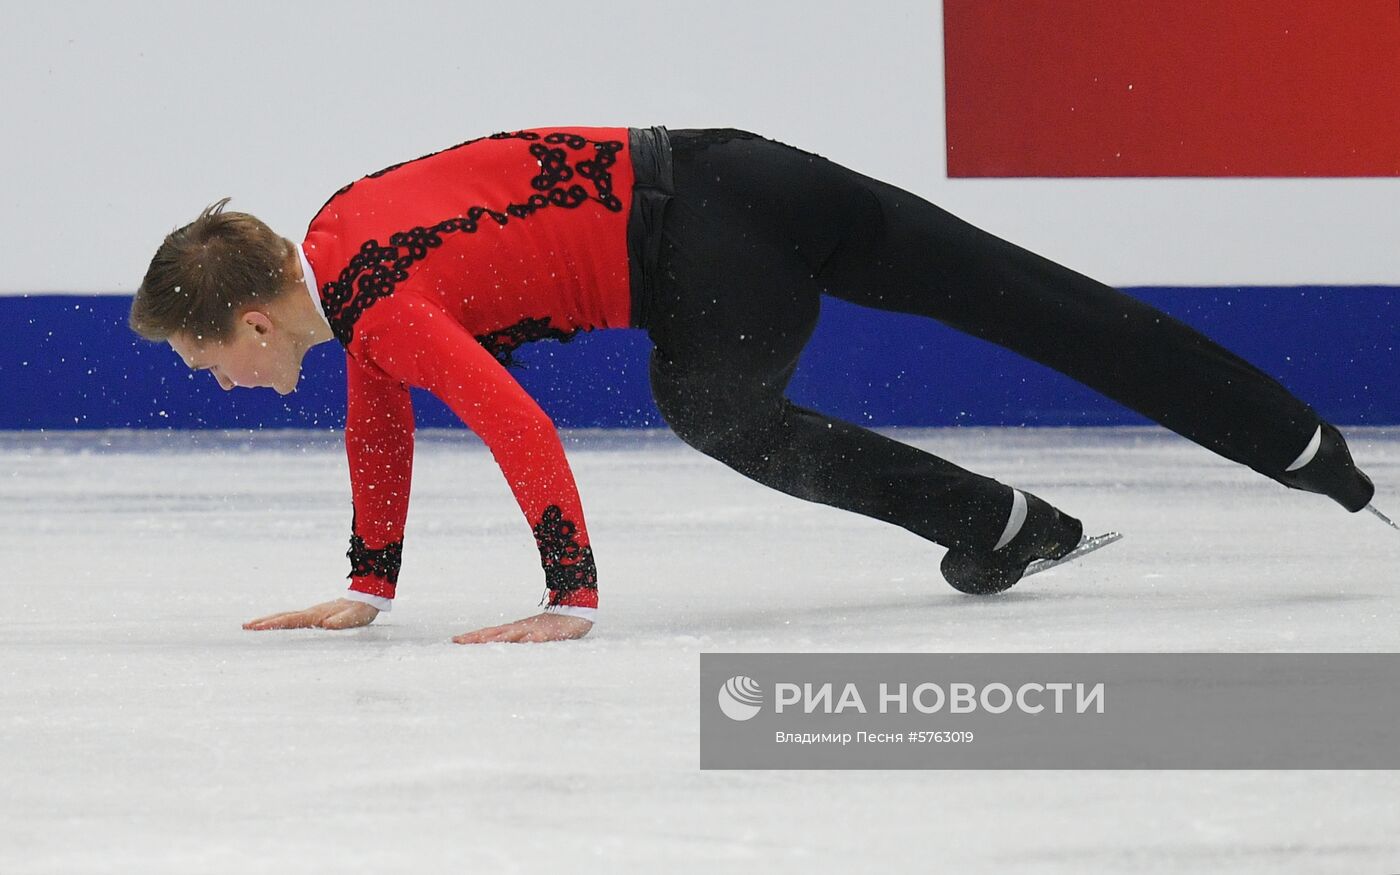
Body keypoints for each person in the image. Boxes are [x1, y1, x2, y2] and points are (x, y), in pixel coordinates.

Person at [128, 125, 1375, 644]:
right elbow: (379, 409)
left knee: (713, 411)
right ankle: (1311, 454)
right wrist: (368, 576)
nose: (221, 382)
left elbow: (506, 414)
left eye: (205, 361)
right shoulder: (343, 235)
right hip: (741, 168)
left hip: (703, 257)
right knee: (1041, 305)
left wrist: (569, 591)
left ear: (248, 317)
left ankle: (998, 521)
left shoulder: (379, 309)